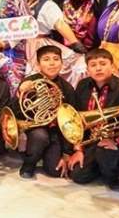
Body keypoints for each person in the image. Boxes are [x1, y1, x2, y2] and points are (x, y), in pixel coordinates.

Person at [69, 49, 119, 192]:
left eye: (103, 64)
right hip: (91, 140)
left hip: (116, 140)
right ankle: (102, 166)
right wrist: (78, 149)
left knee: (105, 153)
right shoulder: (83, 85)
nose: (98, 68)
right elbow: (75, 119)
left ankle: (114, 176)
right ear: (87, 69)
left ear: (112, 66)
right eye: (93, 65)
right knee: (78, 176)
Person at [16, 45, 76, 179]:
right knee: (40, 136)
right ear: (38, 65)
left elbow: (71, 122)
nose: (52, 63)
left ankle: (42, 153)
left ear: (62, 63)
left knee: (55, 171)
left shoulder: (67, 88)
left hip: (56, 131)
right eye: (46, 59)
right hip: (35, 128)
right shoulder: (30, 82)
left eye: (56, 59)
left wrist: (66, 153)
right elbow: (16, 110)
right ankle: (29, 164)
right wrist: (21, 92)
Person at [24, 0, 87, 86]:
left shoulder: (48, 5)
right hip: (22, 45)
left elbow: (59, 24)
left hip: (38, 45)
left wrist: (75, 43)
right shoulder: (24, 3)